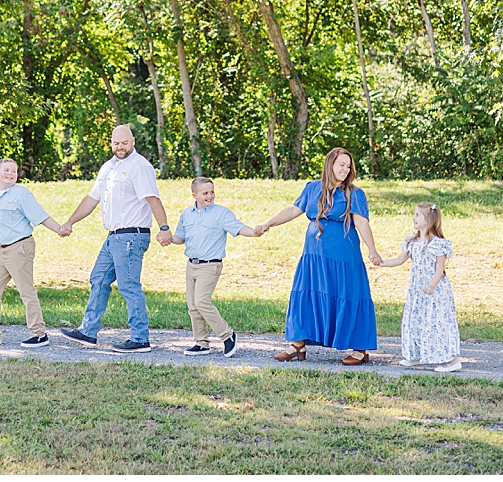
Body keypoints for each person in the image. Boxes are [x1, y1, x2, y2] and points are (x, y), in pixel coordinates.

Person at [256, 147, 382, 365]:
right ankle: (297, 346)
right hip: (314, 257)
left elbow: (361, 222)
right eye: (342, 164)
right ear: (330, 164)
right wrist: (268, 223)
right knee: (306, 292)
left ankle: (360, 350)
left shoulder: (354, 193)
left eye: (349, 166)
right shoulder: (313, 188)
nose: (345, 169)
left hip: (343, 257)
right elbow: (294, 210)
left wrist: (373, 250)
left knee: (348, 294)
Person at [58, 124, 172, 353]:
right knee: (98, 279)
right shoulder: (108, 168)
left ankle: (140, 339)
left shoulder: (139, 167)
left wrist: (165, 227)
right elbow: (92, 199)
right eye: (116, 143)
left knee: (129, 286)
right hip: (113, 237)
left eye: (124, 143)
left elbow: (153, 199)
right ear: (111, 143)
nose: (120, 147)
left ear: (133, 141)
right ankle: (88, 332)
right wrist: (70, 222)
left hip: (131, 236)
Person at [0, 158, 66, 348]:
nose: (11, 174)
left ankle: (39, 334)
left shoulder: (21, 194)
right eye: (6, 170)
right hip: (2, 251)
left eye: (14, 171)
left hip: (20, 247)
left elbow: (40, 215)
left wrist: (59, 229)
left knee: (26, 291)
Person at [170, 176, 263, 357]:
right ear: (194, 194)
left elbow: (239, 228)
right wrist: (169, 239)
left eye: (212, 192)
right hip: (192, 265)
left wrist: (254, 232)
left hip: (210, 265)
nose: (210, 196)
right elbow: (180, 238)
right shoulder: (186, 214)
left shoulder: (221, 213)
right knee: (193, 306)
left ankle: (228, 336)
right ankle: (201, 343)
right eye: (205, 193)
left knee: (202, 301)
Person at [376, 201, 462, 372]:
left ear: (428, 220)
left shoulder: (438, 244)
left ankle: (452, 360)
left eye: (417, 215)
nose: (413, 218)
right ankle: (416, 354)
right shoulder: (412, 242)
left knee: (436, 321)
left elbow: (440, 269)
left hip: (434, 292)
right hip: (417, 290)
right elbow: (400, 260)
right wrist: (382, 263)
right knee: (416, 318)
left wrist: (431, 285)